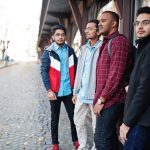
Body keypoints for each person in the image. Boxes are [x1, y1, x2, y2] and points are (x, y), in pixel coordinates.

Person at [93, 11, 133, 150]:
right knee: (108, 139)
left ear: (114, 23)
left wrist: (101, 99)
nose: (99, 24)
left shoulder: (119, 41)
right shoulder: (108, 42)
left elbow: (115, 75)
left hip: (112, 100)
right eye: (99, 21)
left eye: (103, 21)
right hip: (106, 100)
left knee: (101, 140)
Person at [41, 25, 79, 150]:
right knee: (54, 119)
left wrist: (76, 89)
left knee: (74, 117)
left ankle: (76, 141)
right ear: (53, 36)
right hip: (55, 92)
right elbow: (44, 72)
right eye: (57, 34)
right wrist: (49, 90)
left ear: (65, 36)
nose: (60, 37)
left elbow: (77, 69)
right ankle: (55, 144)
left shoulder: (70, 51)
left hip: (69, 91)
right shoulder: (48, 51)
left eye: (62, 34)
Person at [120, 6, 150, 150]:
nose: (140, 27)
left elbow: (145, 89)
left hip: (142, 121)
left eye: (146, 23)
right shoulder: (142, 47)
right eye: (137, 23)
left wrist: (127, 122)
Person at [72, 19, 101, 150]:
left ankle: (95, 147)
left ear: (98, 31)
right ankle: (84, 146)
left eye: (90, 28)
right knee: (78, 121)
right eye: (86, 28)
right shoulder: (83, 48)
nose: (87, 30)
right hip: (81, 94)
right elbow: (79, 71)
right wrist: (75, 91)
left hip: (95, 95)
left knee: (96, 125)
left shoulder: (102, 47)